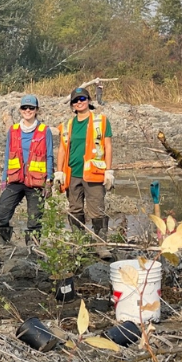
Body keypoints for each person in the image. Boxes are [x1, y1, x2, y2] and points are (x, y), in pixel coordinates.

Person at [54, 87, 114, 248]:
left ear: (88, 101)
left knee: (97, 210)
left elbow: (107, 146)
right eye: (75, 100)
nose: (79, 102)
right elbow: (62, 149)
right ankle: (79, 243)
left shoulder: (100, 121)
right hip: (72, 173)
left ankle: (101, 245)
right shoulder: (67, 125)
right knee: (75, 209)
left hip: (94, 173)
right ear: (72, 105)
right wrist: (59, 172)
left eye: (82, 99)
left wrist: (109, 171)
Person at [0, 95, 54, 247]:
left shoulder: (44, 130)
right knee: (1, 213)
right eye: (25, 108)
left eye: (31, 108)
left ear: (36, 110)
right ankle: (3, 245)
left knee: (34, 219)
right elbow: (8, 154)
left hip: (36, 181)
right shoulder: (13, 130)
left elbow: (49, 156)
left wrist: (49, 180)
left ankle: (32, 250)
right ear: (20, 110)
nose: (28, 111)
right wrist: (3, 179)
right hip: (16, 179)